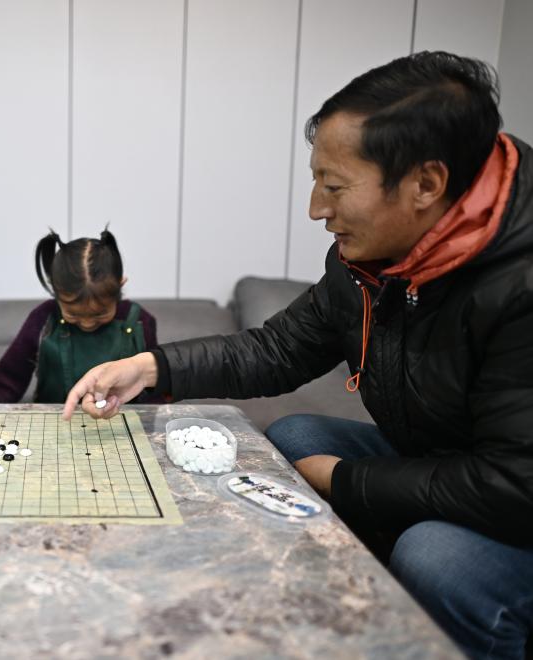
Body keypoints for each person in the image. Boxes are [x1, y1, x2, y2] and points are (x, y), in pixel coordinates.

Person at [63, 52, 533, 659]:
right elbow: (277, 348)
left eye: (334, 186)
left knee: (436, 557)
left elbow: (513, 483)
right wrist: (150, 366)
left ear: (426, 184)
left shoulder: (519, 284)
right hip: (443, 463)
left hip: (513, 502)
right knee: (295, 436)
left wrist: (346, 481)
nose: (316, 208)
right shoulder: (370, 260)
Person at [0, 228, 158, 403]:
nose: (87, 323)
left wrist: (154, 416)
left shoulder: (141, 321)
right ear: (56, 291)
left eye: (100, 314)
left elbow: (155, 382)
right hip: (55, 417)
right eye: (73, 314)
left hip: (124, 416)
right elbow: (10, 378)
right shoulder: (42, 319)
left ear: (120, 285)